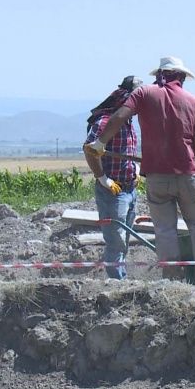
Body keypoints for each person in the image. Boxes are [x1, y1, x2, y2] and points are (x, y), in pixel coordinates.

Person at [84, 57, 195, 286]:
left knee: (165, 230)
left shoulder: (144, 93)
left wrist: (101, 143)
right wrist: (185, 160)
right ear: (182, 77)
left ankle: (173, 283)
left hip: (157, 178)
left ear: (160, 75)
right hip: (188, 174)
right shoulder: (194, 101)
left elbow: (120, 116)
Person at [83, 75, 143, 280]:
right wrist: (103, 179)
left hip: (130, 188)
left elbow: (126, 151)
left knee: (124, 238)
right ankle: (117, 281)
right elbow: (90, 150)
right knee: (115, 240)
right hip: (113, 191)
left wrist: (134, 168)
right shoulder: (105, 122)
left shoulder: (128, 123)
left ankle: (121, 276)